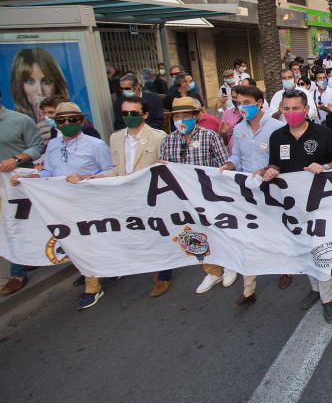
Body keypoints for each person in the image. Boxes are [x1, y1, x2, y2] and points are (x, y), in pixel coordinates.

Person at [9, 102, 113, 309]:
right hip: (60, 204)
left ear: (81, 121)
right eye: (61, 120)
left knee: (88, 241)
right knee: (71, 241)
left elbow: (110, 171)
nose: (67, 123)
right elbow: (49, 171)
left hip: (88, 202)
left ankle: (93, 285)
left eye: (72, 119)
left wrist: (85, 177)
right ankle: (92, 270)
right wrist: (30, 178)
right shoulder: (53, 145)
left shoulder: (96, 145)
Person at [260, 90, 332, 323]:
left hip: (320, 203)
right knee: (303, 248)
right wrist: (271, 170)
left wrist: (325, 166)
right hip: (291, 206)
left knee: (320, 249)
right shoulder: (277, 136)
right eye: (286, 109)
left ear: (306, 110)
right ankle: (315, 289)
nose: (290, 113)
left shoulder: (323, 133)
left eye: (295, 108)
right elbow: (274, 163)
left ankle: (328, 299)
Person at [87, 96, 170, 298]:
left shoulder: (159, 137)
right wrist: (93, 178)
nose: (129, 117)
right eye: (125, 113)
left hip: (152, 194)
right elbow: (116, 169)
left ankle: (164, 274)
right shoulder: (115, 138)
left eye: (134, 113)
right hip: (125, 195)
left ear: (145, 114)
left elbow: (166, 167)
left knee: (160, 232)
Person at [218, 85, 290, 306]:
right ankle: (249, 289)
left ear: (259, 103)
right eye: (238, 103)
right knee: (247, 236)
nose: (242, 107)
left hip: (273, 186)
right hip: (247, 188)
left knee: (278, 231)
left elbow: (283, 159)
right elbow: (237, 156)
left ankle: (286, 268)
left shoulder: (278, 128)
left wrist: (269, 169)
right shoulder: (239, 130)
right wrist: (230, 164)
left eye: (246, 103)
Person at [159, 96, 235, 294]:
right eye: (177, 116)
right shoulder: (168, 141)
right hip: (182, 198)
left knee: (219, 230)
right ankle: (211, 270)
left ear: (194, 116)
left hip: (209, 193)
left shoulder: (209, 136)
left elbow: (224, 164)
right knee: (189, 233)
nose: (181, 120)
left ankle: (231, 264)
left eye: (186, 115)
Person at [0, 89, 46, 296]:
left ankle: (17, 273)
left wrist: (16, 159)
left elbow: (37, 146)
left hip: (16, 184)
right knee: (6, 227)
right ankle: (25, 260)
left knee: (17, 224)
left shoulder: (20, 120)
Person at [8, 48, 71, 122]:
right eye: (29, 81)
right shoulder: (11, 126)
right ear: (20, 86)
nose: (40, 91)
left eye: (46, 82)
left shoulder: (79, 123)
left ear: (57, 84)